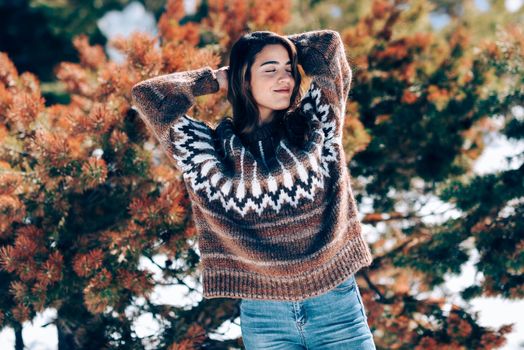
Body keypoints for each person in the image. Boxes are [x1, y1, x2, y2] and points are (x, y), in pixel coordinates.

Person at [131, 29, 376, 349]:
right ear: (243, 79)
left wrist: (277, 49)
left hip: (335, 307)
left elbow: (327, 47)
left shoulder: (317, 123)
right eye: (269, 69)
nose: (285, 77)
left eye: (289, 68)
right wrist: (217, 79)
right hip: (265, 316)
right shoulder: (207, 151)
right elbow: (150, 96)